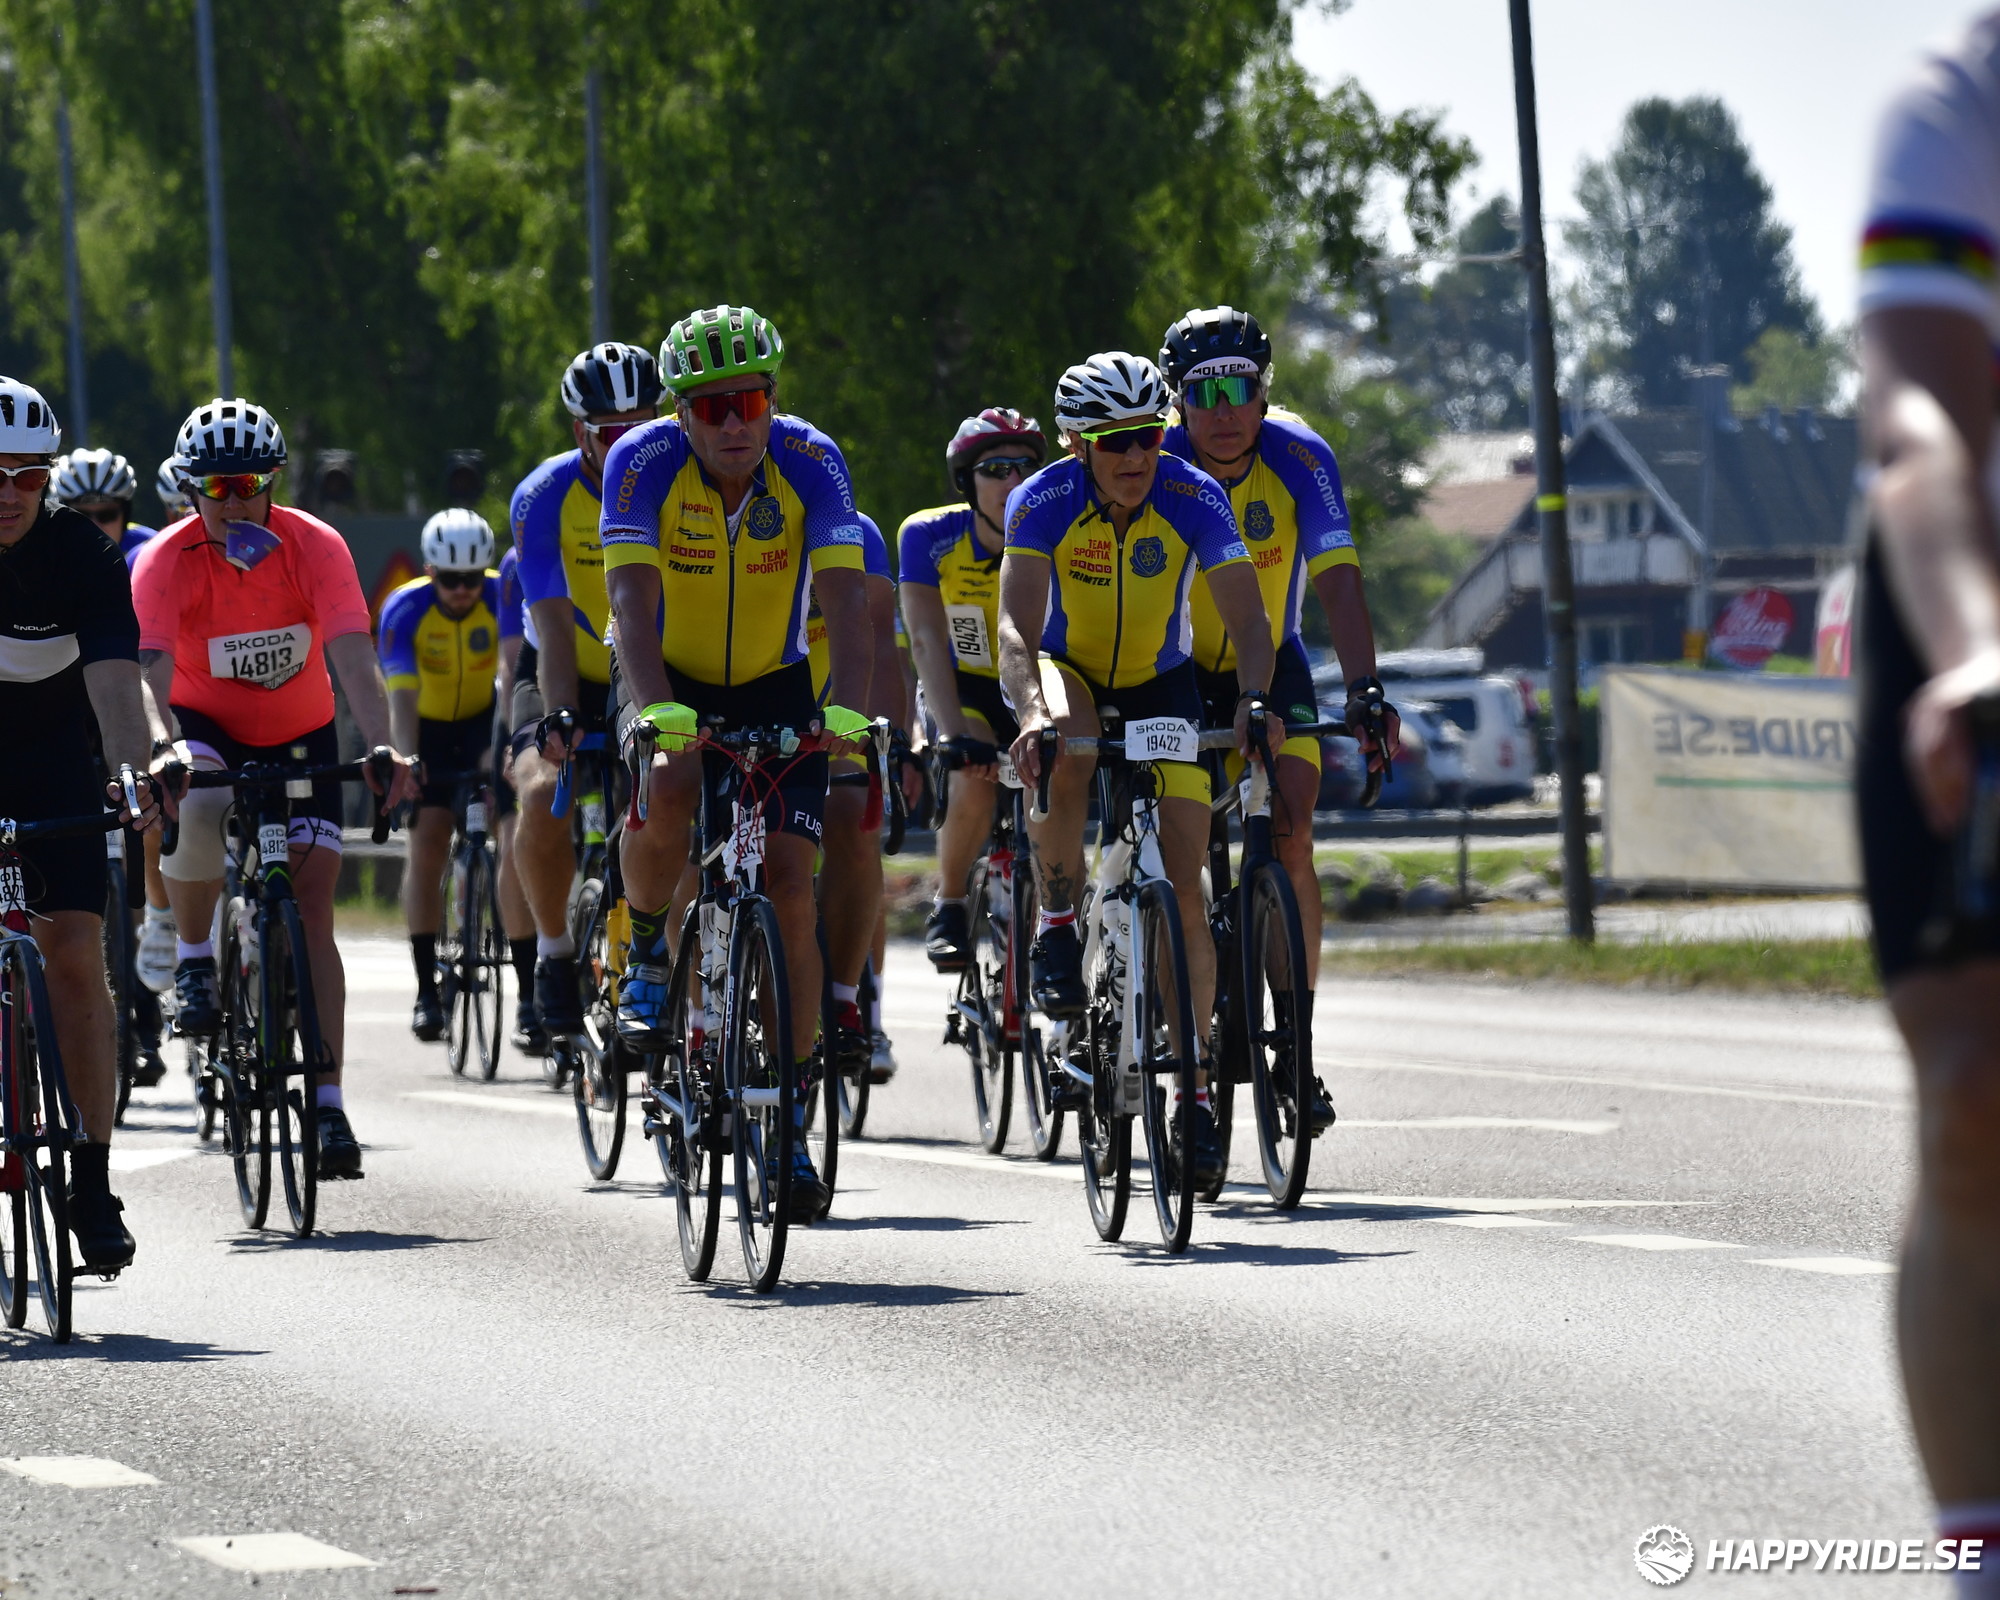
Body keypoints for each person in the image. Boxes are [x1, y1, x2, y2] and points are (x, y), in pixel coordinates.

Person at [601, 304, 872, 1223]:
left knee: (790, 889)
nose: (733, 423)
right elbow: (631, 604)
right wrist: (655, 710)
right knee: (672, 779)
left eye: (749, 401)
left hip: (773, 680)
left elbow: (849, 601)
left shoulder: (811, 461)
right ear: (680, 412)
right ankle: (646, 945)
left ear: (773, 400)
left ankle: (789, 1120)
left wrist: (847, 711)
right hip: (662, 667)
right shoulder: (640, 462)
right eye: (712, 407)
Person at [998, 352, 1275, 1189]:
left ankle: (1193, 1095)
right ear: (1077, 444)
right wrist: (1030, 714)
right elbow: (1015, 632)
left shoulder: (1194, 494)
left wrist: (1255, 700)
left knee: (1184, 888)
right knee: (1069, 741)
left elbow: (1249, 622)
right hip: (1069, 673)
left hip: (1162, 684)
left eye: (1148, 438)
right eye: (1115, 441)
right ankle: (1056, 923)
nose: (1134, 457)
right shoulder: (1041, 499)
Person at [1857, 19, 2000, 1592]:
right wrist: (1976, 650)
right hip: (1964, 578)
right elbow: (1918, 431)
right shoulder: (1962, 106)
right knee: (1972, 1089)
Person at [133, 398, 418, 1180]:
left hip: (300, 732)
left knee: (314, 908)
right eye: (214, 487)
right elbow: (149, 673)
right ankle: (195, 958)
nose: (232, 502)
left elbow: (354, 655)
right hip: (203, 726)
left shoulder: (314, 545)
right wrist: (162, 747)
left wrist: (382, 743)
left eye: (248, 484)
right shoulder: (164, 559)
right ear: (190, 489)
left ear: (273, 482)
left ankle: (327, 1104)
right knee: (196, 799)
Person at [1160, 304, 1401, 1131]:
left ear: (1265, 392)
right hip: (1177, 668)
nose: (1225, 410)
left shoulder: (1300, 455)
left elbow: (1338, 579)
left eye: (1241, 389)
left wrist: (1364, 689)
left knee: (1293, 832)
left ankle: (1295, 1048)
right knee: (1180, 844)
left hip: (1278, 659)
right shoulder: (1154, 461)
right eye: (1204, 392)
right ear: (1177, 401)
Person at [0, 378, 171, 1269]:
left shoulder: (84, 556)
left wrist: (130, 773)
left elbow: (115, 683)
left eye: (29, 476)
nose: (9, 493)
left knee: (74, 953)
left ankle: (93, 1180)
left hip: (56, 763)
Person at [509, 342, 663, 1033]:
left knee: (661, 796)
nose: (628, 444)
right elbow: (549, 623)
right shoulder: (543, 496)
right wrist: (563, 715)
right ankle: (552, 951)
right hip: (559, 662)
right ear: (581, 434)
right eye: (611, 433)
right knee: (541, 789)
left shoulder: (677, 480)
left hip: (645, 666)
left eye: (641, 427)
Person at [899, 408, 1045, 970]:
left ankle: (1054, 920)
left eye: (1025, 468)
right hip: (963, 687)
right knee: (973, 779)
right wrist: (954, 736)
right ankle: (952, 903)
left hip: (1034, 686)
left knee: (1047, 786)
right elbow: (925, 640)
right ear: (967, 482)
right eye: (997, 470)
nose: (1014, 481)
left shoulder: (1056, 529)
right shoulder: (929, 536)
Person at [52, 446, 173, 1085]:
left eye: (109, 513)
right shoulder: (47, 550)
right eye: (83, 512)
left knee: (146, 815)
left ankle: (157, 928)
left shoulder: (146, 554)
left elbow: (148, 665)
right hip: (65, 713)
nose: (97, 524)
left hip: (126, 701)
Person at [377, 508, 503, 1041]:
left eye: (472, 578)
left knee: (506, 826)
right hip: (424, 728)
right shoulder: (405, 609)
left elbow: (511, 674)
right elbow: (402, 700)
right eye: (450, 579)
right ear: (430, 571)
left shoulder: (501, 595)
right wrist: (407, 763)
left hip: (482, 723)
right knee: (427, 841)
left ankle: (491, 914)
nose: (462, 590)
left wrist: (498, 750)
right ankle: (426, 986)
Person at [805, 511, 903, 1076]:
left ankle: (847, 1003)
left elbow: (883, 646)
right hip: (745, 703)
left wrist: (893, 746)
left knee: (855, 823)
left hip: (833, 712)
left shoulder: (855, 531)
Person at [493, 541, 540, 1051]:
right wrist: (514, 739)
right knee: (513, 839)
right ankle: (528, 993)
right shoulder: (516, 561)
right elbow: (512, 664)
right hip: (526, 697)